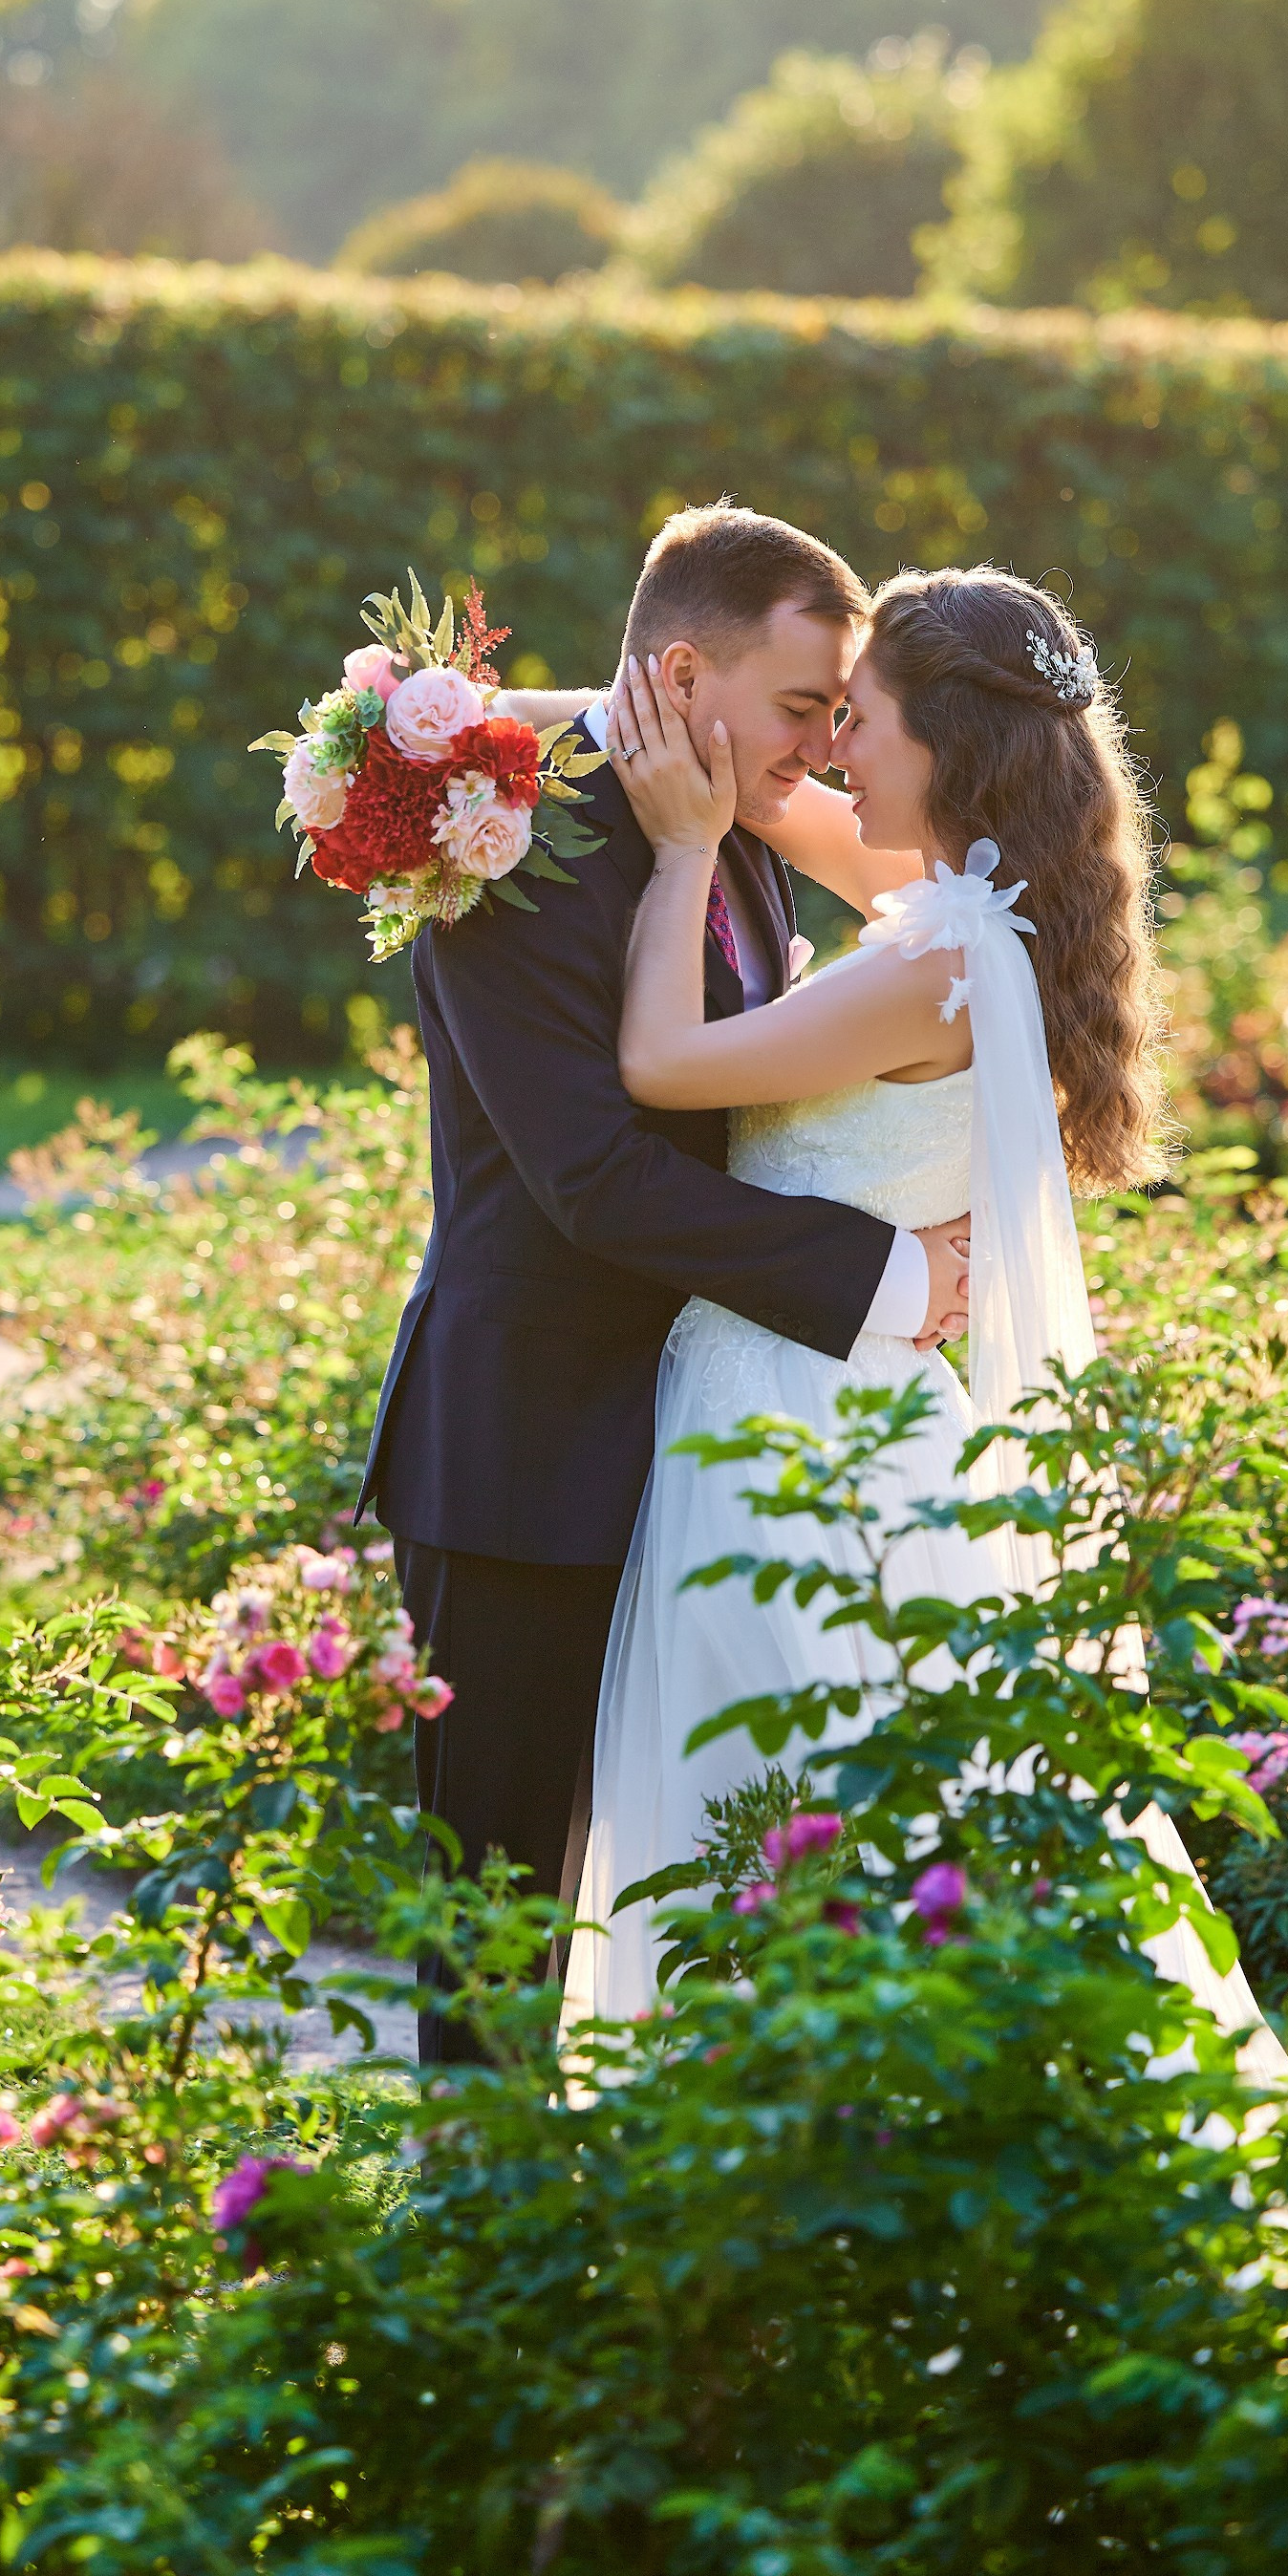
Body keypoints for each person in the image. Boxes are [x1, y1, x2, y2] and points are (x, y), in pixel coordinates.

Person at [557, 560, 1288, 2084]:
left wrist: (682, 849)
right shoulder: (954, 903)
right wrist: (451, 722)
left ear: (948, 748)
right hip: (845, 1398)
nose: (832, 750)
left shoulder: (940, 956)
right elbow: (754, 786)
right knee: (812, 1810)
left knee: (779, 1806)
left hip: (789, 1422)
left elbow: (659, 1062)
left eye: (862, 720)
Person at [358, 505, 972, 2065]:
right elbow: (595, 1185)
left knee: (691, 1890)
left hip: (704, 1449)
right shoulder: (504, 857)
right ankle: (474, 2264)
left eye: (845, 716)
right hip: (526, 1452)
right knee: (494, 1929)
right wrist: (890, 1278)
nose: (827, 747)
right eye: (802, 707)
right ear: (682, 672)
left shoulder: (737, 825)